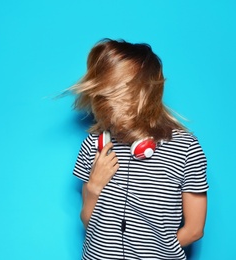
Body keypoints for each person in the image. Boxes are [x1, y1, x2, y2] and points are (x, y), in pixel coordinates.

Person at [70, 39, 208, 260]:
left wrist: (156, 251)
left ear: (144, 94)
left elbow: (194, 230)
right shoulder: (95, 145)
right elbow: (89, 222)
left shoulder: (185, 148)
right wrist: (94, 185)